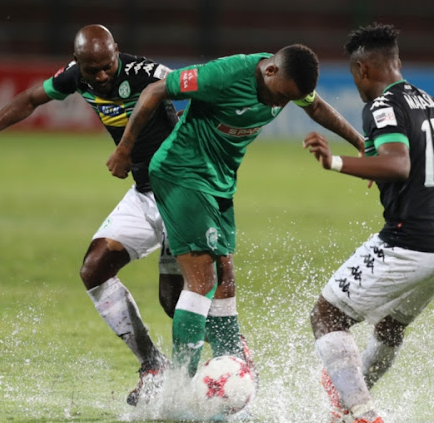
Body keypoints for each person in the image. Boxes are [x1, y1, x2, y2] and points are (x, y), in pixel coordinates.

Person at [0, 25, 183, 406]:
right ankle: (153, 365)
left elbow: (197, 88)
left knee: (173, 301)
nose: (101, 77)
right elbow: (30, 99)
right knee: (94, 269)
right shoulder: (75, 75)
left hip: (181, 194)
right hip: (143, 193)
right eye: (92, 71)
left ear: (117, 52)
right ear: (79, 65)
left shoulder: (146, 74)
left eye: (107, 66)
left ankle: (232, 358)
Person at [107, 45, 365, 379]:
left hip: (220, 183)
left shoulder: (287, 83)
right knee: (202, 279)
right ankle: (178, 391)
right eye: (280, 96)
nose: (279, 104)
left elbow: (314, 106)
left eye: (288, 100)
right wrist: (125, 149)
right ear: (269, 71)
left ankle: (231, 370)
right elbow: (157, 89)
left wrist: (359, 142)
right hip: (181, 172)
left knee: (225, 279)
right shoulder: (224, 75)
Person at [303, 23, 434, 423]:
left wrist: (336, 162)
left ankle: (362, 416)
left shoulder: (382, 105)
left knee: (327, 315)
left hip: (410, 243)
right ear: (397, 62)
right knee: (389, 327)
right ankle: (351, 404)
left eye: (355, 77)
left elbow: (397, 164)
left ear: (363, 69)